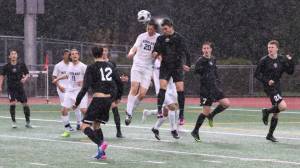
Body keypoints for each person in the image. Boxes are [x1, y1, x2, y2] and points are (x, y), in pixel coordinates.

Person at [74, 46, 123, 160]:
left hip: (98, 99)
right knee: (96, 125)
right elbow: (119, 83)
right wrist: (118, 98)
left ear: (93, 54)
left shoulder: (91, 67)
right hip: (108, 100)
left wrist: (77, 102)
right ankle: (102, 153)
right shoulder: (110, 66)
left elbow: (85, 88)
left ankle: (101, 144)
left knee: (84, 126)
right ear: (102, 53)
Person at [152, 18, 191, 126]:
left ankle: (181, 115)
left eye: (166, 29)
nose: (164, 31)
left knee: (180, 89)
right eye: (163, 29)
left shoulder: (179, 38)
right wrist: (154, 54)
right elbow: (156, 50)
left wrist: (188, 64)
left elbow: (187, 52)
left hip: (177, 66)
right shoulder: (160, 38)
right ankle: (159, 110)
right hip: (165, 66)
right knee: (162, 87)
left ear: (171, 27)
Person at [254, 40, 294, 142]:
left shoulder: (281, 59)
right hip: (269, 87)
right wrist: (267, 81)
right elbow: (257, 74)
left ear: (277, 48)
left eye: (272, 47)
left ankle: (270, 135)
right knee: (283, 106)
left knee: (277, 111)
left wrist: (290, 61)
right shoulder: (264, 60)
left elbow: (290, 72)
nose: (270, 49)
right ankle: (266, 111)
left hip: (278, 86)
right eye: (268, 47)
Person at [191, 42, 230, 142]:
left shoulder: (213, 59)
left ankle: (212, 115)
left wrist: (217, 79)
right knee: (205, 112)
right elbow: (196, 71)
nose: (206, 50)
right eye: (204, 48)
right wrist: (203, 71)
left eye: (207, 48)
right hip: (205, 90)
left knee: (226, 103)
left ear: (211, 49)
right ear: (202, 50)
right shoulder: (200, 60)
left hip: (214, 88)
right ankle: (195, 131)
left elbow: (214, 70)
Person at [125, 19, 160, 125]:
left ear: (155, 29)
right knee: (134, 88)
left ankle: (131, 109)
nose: (149, 30)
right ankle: (129, 113)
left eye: (151, 29)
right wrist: (131, 53)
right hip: (137, 65)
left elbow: (160, 50)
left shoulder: (158, 38)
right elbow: (134, 47)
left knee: (142, 94)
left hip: (148, 68)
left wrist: (156, 53)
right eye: (148, 28)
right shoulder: (142, 36)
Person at [53, 49, 88, 137]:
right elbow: (67, 75)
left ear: (78, 56)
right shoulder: (70, 65)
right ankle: (67, 130)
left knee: (84, 110)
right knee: (64, 110)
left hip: (80, 91)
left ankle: (89, 128)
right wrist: (57, 79)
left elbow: (89, 78)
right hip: (70, 91)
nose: (74, 55)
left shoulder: (83, 66)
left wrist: (83, 81)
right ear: (71, 56)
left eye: (76, 54)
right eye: (72, 54)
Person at [142, 59, 180, 140]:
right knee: (172, 107)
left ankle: (155, 127)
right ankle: (173, 130)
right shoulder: (154, 61)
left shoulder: (171, 58)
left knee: (166, 112)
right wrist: (148, 79)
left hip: (171, 87)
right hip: (161, 90)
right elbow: (147, 69)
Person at [0, 50, 32, 128]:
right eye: (12, 54)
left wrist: (25, 79)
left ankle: (28, 122)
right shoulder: (6, 66)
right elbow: (2, 76)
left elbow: (27, 74)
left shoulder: (21, 65)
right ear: (9, 56)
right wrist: (0, 86)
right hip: (11, 88)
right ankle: (14, 122)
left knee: (25, 104)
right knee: (12, 104)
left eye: (15, 54)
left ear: (17, 56)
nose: (14, 55)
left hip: (20, 88)